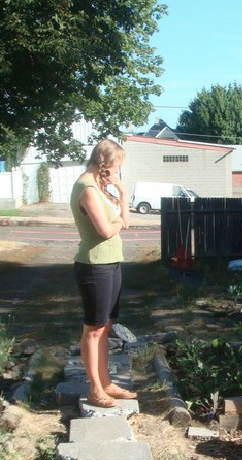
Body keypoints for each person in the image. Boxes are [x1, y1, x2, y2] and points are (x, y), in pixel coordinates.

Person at [70, 138, 137, 408]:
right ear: (103, 163)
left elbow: (125, 223)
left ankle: (106, 383)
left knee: (106, 325)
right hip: (94, 265)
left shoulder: (99, 187)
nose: (117, 171)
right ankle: (95, 389)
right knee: (94, 328)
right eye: (116, 166)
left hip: (111, 262)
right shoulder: (87, 188)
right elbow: (107, 230)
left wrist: (122, 192)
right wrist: (119, 220)